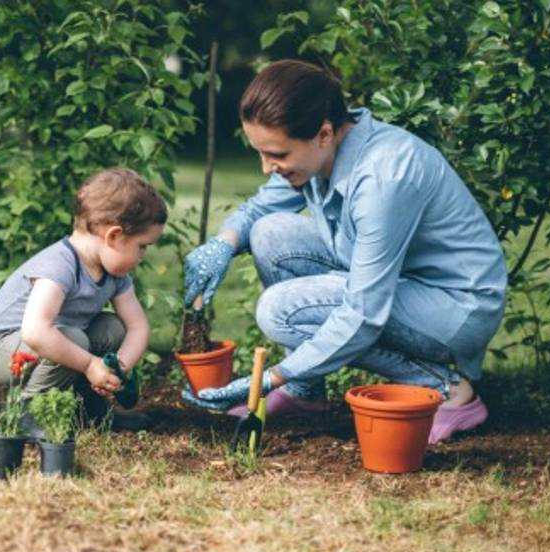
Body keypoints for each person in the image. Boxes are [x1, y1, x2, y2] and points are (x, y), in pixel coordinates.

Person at [181, 60, 507, 444]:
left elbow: (364, 312)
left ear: (323, 133)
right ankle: (307, 393)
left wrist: (276, 375)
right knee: (270, 234)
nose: (267, 167)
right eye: (261, 153)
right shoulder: (320, 151)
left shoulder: (383, 176)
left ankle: (447, 390)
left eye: (278, 155)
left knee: (280, 310)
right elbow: (258, 211)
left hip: (455, 307)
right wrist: (224, 243)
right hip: (404, 282)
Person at [0, 168, 165, 436]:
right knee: (74, 339)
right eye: (141, 246)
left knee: (112, 328)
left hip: (50, 338)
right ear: (113, 236)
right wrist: (89, 365)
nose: (143, 255)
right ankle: (28, 415)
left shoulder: (115, 273)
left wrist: (115, 369)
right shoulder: (60, 265)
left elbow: (137, 327)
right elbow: (36, 332)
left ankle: (92, 411)